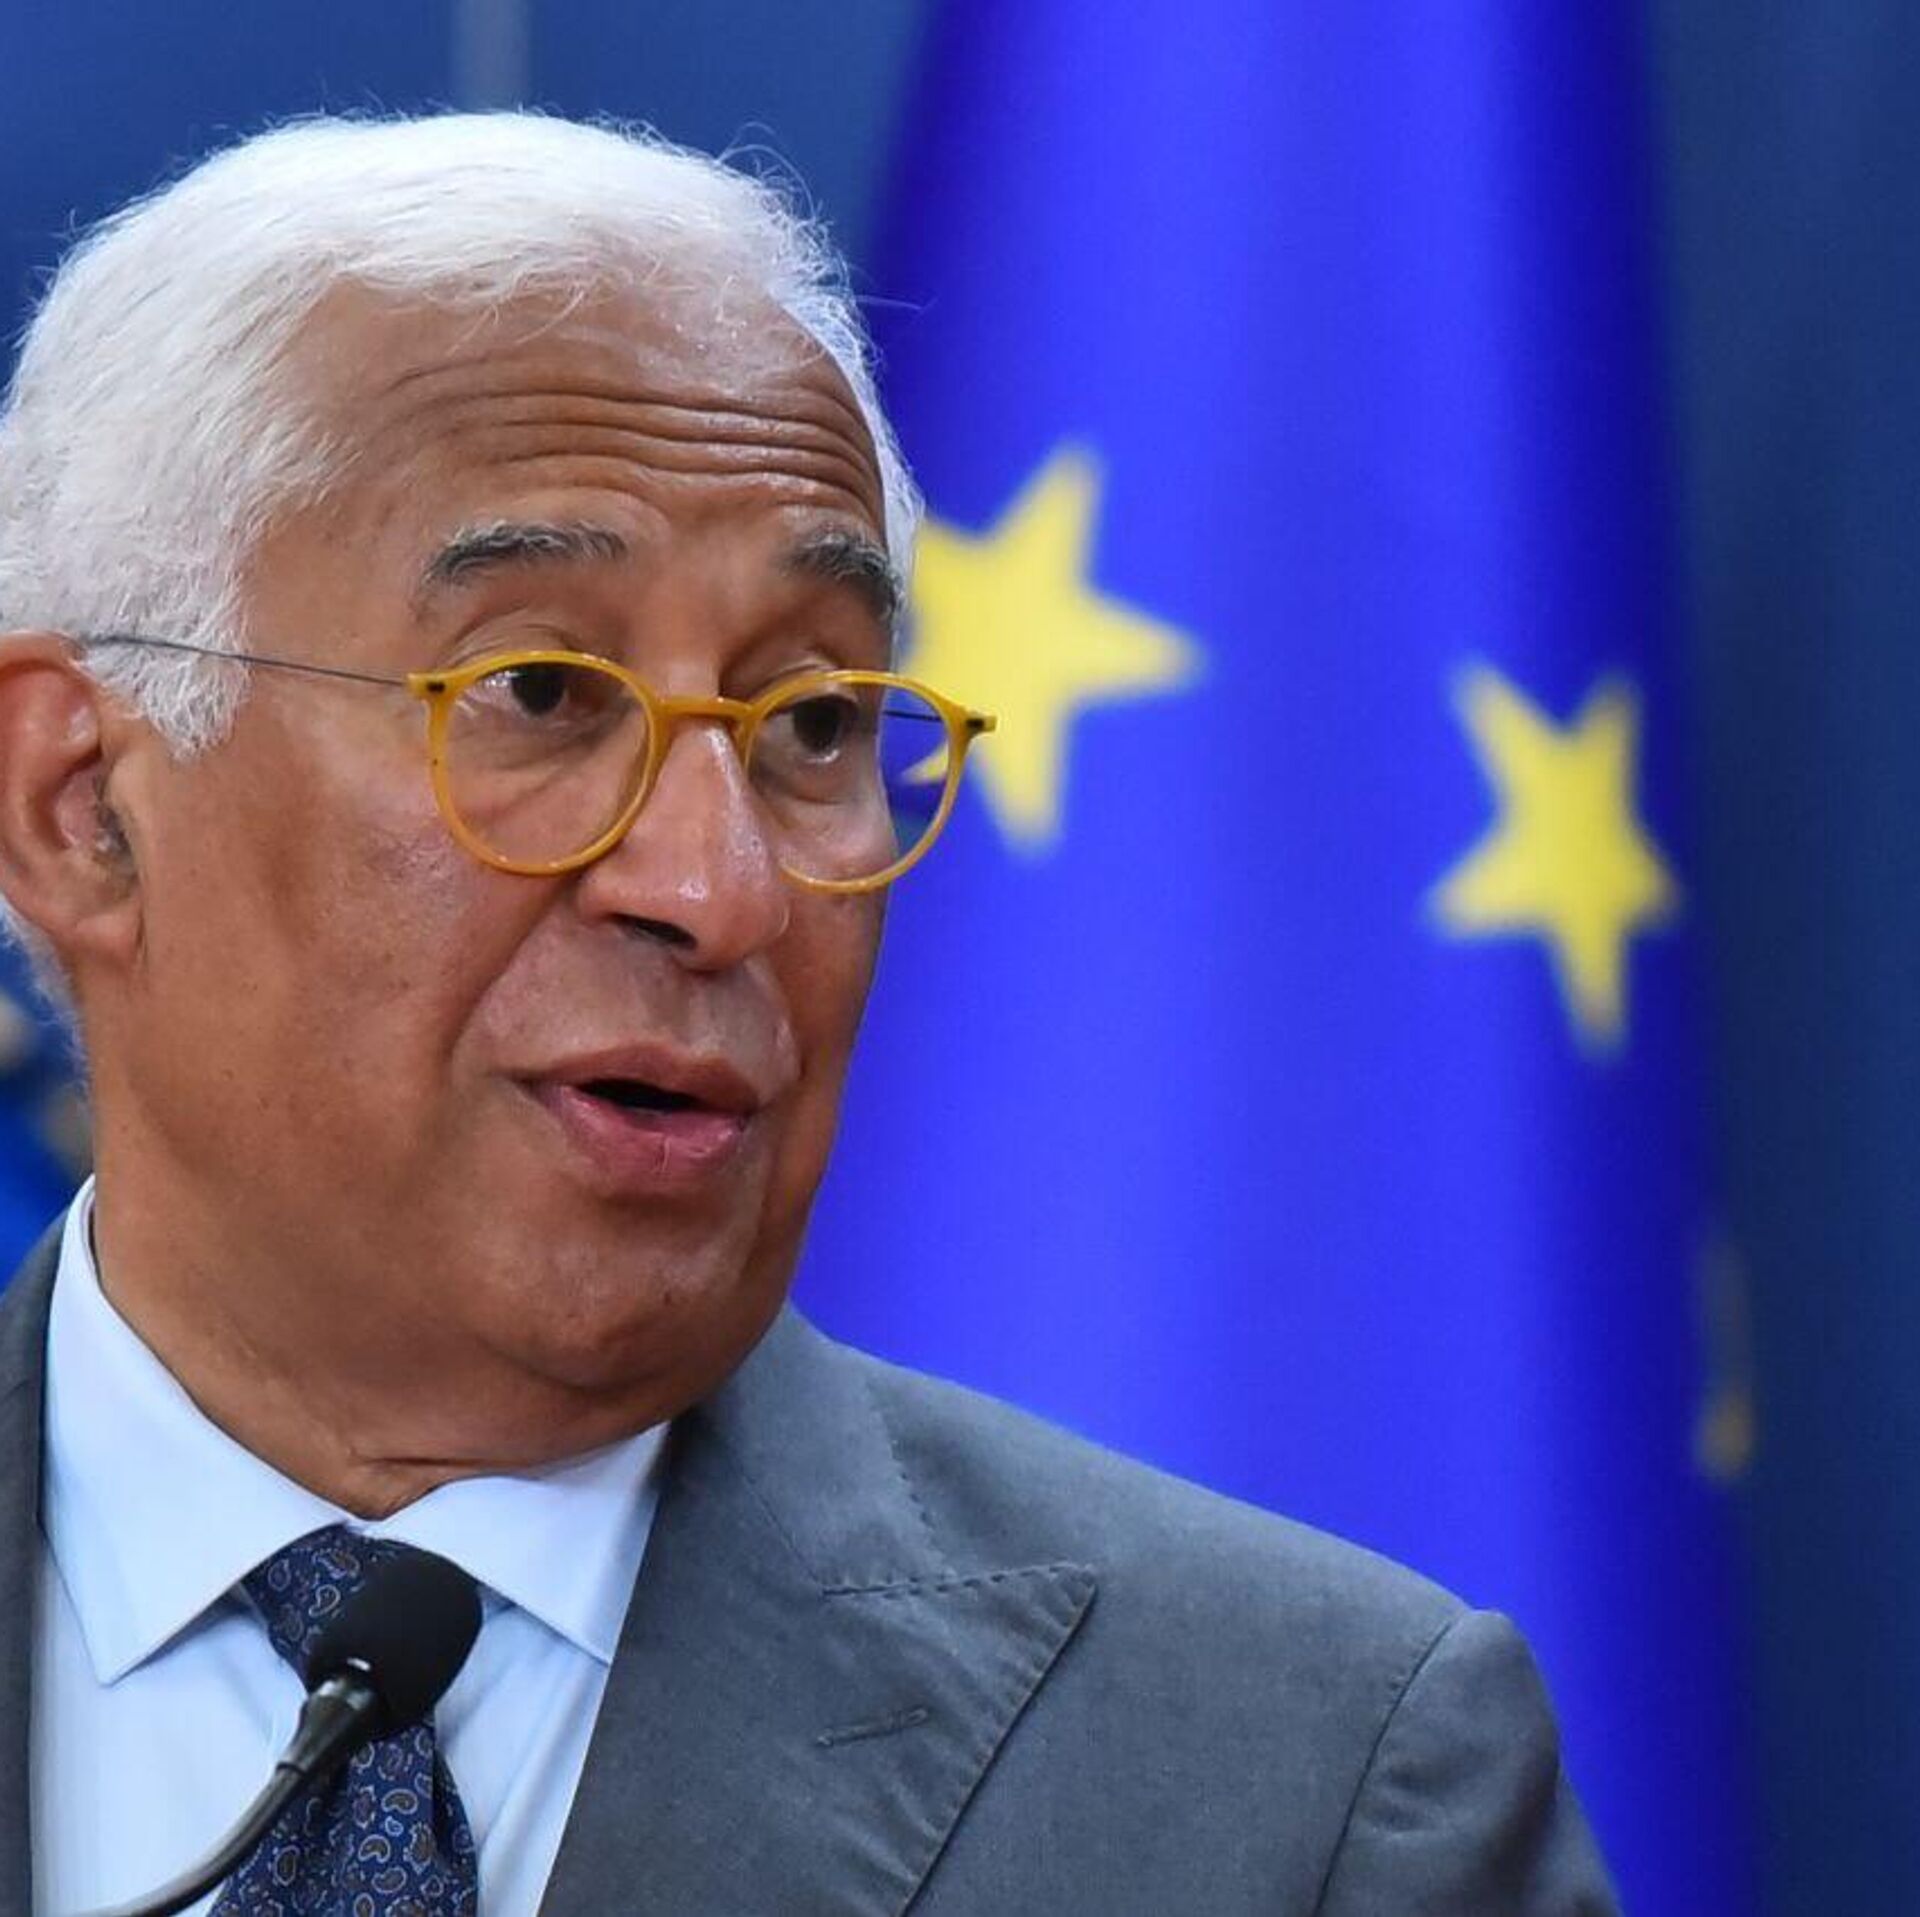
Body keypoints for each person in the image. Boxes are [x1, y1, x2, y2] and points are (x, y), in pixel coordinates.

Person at [0, 113, 1617, 1915]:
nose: (723, 889)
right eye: (541, 691)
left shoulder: (1311, 1792)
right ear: (82, 807)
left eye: (815, 722)